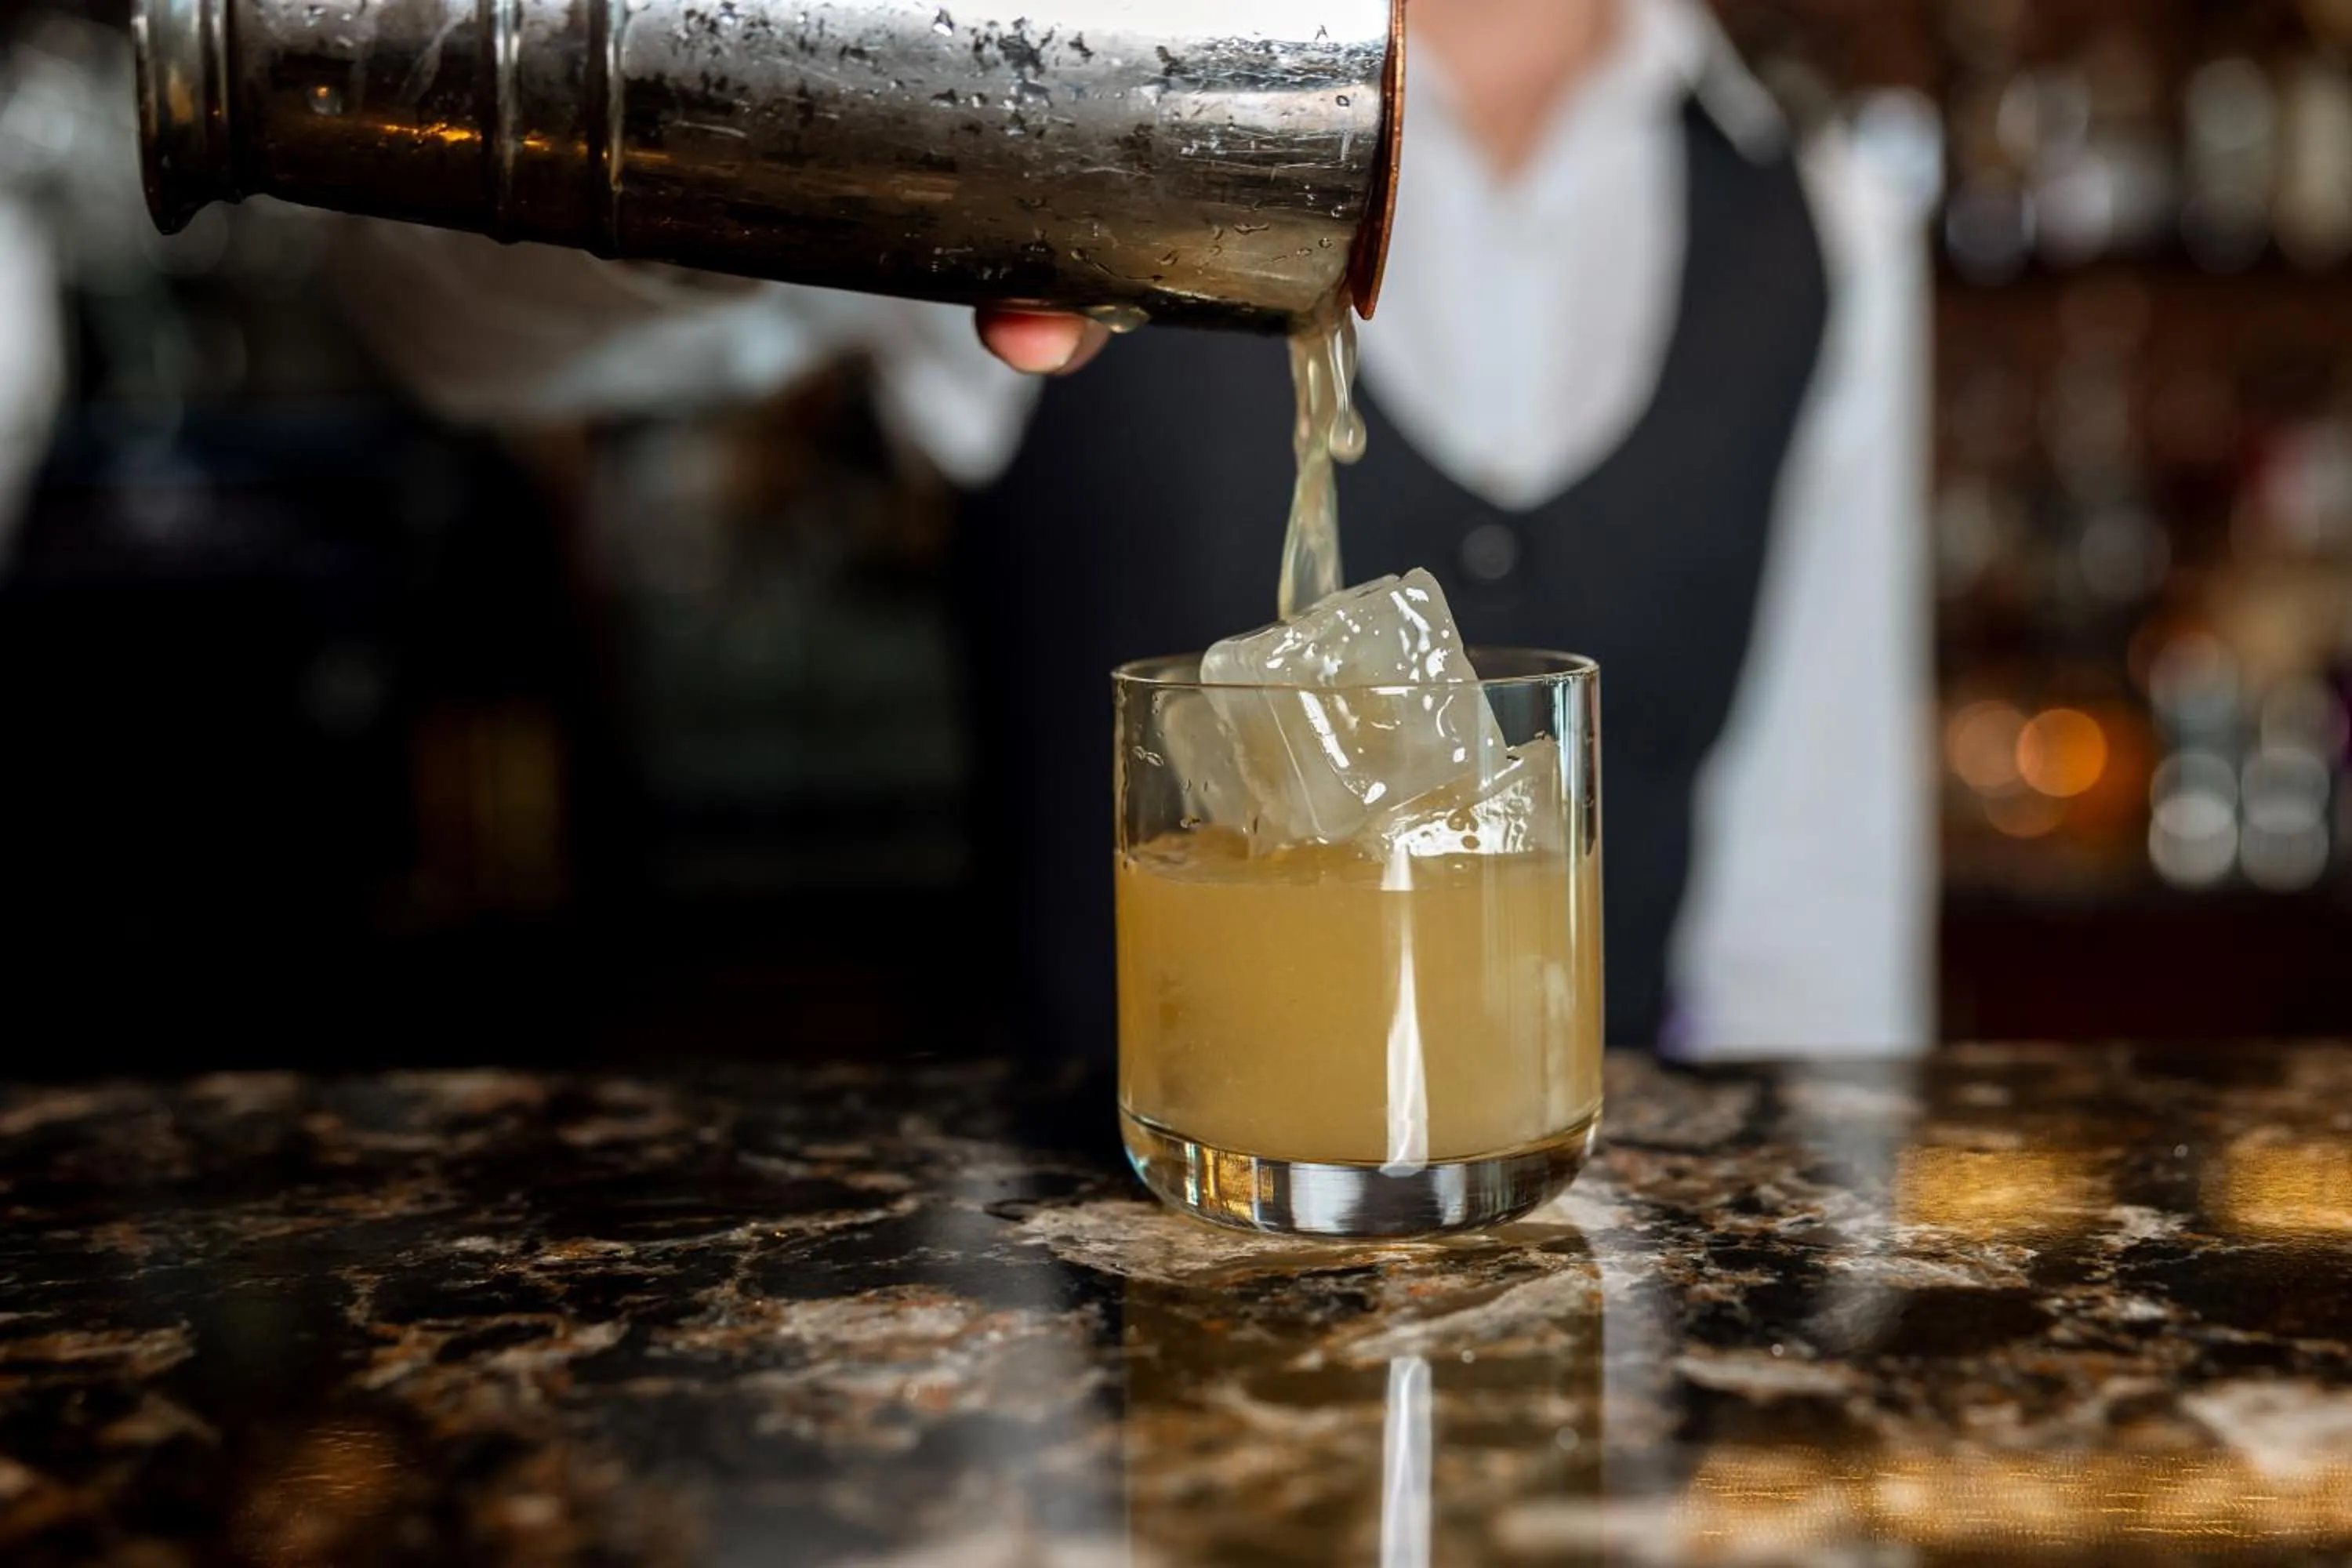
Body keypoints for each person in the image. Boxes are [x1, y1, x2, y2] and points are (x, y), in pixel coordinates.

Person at [332, 0, 1935, 1062]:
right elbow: (438, 324)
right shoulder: (1047, 82)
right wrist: (791, 118)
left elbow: (1815, 898)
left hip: (1600, 1338)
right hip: (1078, 1390)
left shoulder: (1820, 225)